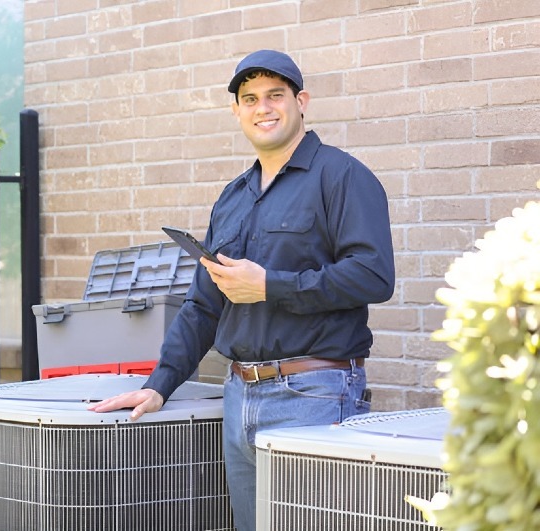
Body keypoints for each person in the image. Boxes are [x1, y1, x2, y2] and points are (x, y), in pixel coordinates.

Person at [88, 49, 395, 530]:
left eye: (276, 95)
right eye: (249, 98)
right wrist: (157, 386)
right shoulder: (233, 197)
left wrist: (271, 285)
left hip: (313, 393)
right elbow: (204, 305)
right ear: (236, 111)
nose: (263, 107)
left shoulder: (342, 177)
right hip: (239, 398)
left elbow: (375, 276)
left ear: (302, 102)